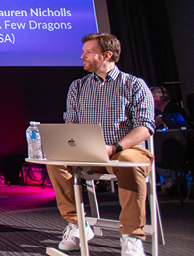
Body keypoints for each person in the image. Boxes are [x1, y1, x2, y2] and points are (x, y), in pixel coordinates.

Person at [46, 33, 154, 256]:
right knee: (55, 160)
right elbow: (72, 123)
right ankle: (78, 225)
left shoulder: (134, 85)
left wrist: (115, 148)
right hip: (89, 154)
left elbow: (144, 127)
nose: (82, 56)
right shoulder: (78, 86)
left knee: (129, 162)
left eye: (89, 52)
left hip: (124, 150)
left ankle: (132, 235)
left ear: (107, 55)